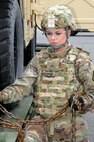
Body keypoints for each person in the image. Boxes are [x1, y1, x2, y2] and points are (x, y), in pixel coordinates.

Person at [0, 4, 94, 142]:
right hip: (41, 123)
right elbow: (22, 86)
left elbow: (92, 92)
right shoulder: (40, 59)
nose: (53, 38)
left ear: (68, 31)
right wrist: (2, 96)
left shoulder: (80, 59)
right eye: (49, 33)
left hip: (70, 123)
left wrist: (82, 101)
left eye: (58, 33)